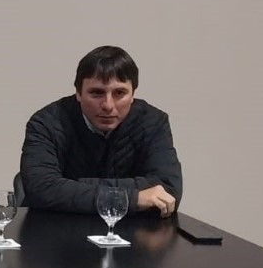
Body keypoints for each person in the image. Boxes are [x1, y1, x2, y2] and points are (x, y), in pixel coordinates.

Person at [20, 45, 183, 216]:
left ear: (132, 95)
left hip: (131, 229)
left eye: (119, 93)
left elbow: (168, 189)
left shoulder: (153, 122)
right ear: (78, 93)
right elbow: (41, 189)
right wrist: (132, 198)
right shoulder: (46, 122)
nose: (108, 105)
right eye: (97, 93)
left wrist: (72, 186)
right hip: (54, 227)